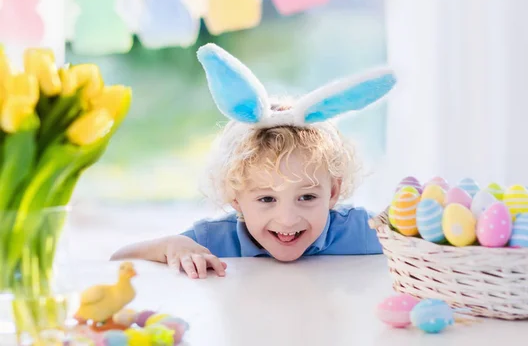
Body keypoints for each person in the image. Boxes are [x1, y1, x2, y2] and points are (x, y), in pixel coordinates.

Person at [111, 43, 397, 279]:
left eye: (307, 196)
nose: (287, 219)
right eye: (266, 199)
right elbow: (118, 260)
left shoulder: (361, 231)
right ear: (235, 197)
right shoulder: (213, 240)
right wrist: (171, 245)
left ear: (333, 192)